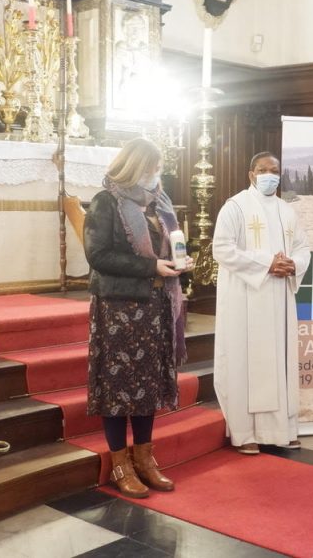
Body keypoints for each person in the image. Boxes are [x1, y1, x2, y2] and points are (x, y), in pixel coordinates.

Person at [83, 138, 191, 498]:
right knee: (118, 387)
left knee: (147, 384)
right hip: (119, 308)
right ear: (135, 166)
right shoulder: (106, 201)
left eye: (158, 168)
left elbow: (170, 244)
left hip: (155, 305)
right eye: (151, 168)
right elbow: (98, 256)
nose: (156, 174)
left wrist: (179, 261)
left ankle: (145, 459)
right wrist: (151, 267)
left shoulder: (160, 202)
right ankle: (121, 464)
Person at [213, 151, 310, 454]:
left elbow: (302, 247)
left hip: (279, 297)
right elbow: (222, 249)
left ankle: (282, 430)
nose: (269, 175)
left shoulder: (286, 210)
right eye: (262, 170)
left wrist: (293, 264)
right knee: (245, 362)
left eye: (274, 170)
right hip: (245, 297)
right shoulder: (235, 207)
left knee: (279, 362)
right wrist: (267, 263)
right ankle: (245, 433)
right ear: (251, 174)